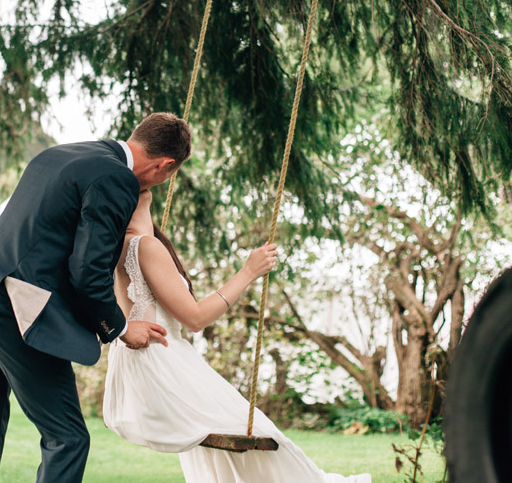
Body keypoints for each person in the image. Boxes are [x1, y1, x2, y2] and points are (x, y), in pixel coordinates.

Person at [0, 112, 192, 483]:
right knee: (68, 438)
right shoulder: (116, 179)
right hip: (18, 310)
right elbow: (87, 271)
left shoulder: (62, 153)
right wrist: (120, 327)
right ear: (165, 165)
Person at [103, 191, 372, 483]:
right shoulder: (144, 246)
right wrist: (248, 271)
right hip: (164, 370)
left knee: (236, 445)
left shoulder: (118, 246)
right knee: (265, 437)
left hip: (145, 371)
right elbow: (195, 319)